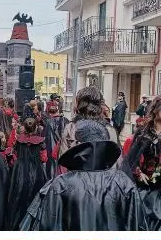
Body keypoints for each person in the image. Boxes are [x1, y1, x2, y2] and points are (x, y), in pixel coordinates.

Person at [21, 119, 138, 230]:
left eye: (72, 141)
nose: (69, 144)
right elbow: (137, 228)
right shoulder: (123, 183)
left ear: (79, 144)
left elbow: (49, 227)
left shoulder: (61, 184)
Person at [123, 97, 161, 228]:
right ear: (156, 110)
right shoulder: (143, 132)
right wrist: (139, 173)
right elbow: (131, 159)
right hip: (144, 186)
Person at [4, 116, 48, 228]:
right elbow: (44, 158)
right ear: (35, 128)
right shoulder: (40, 141)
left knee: (17, 195)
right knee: (35, 194)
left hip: (20, 170)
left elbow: (13, 154)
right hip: (36, 170)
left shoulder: (19, 139)